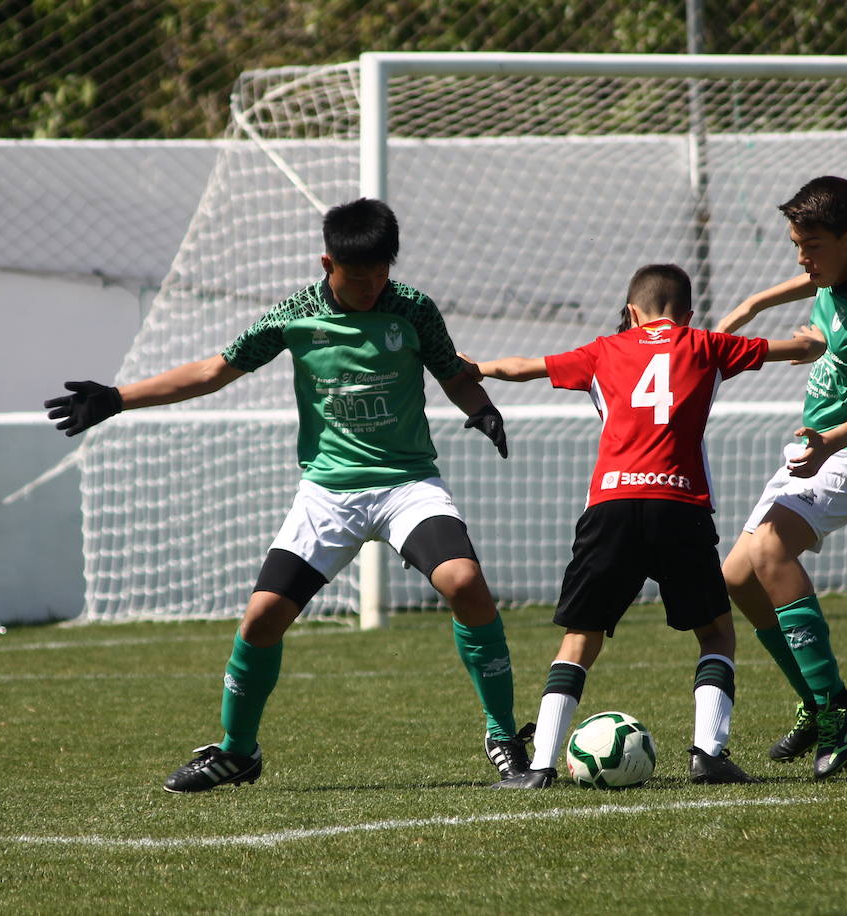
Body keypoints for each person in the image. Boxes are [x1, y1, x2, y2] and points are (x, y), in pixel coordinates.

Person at [45, 198, 531, 792]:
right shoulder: (294, 315)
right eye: (359, 279)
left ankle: (503, 735)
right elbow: (213, 371)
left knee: (464, 583)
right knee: (262, 617)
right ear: (327, 262)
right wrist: (119, 397)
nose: (373, 289)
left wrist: (480, 409)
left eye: (382, 275)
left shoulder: (414, 310)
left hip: (406, 483)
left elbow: (451, 370)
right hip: (327, 494)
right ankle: (236, 751)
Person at [462, 263, 826, 788]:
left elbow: (524, 367)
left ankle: (539, 767)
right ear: (688, 314)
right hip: (680, 506)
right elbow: (792, 351)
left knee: (580, 638)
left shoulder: (603, 350)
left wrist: (480, 369)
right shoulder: (706, 345)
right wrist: (808, 341)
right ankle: (708, 755)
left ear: (631, 312)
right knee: (716, 632)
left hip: (611, 506)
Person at [716, 175, 847, 780]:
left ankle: (835, 708)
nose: (803, 258)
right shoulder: (833, 276)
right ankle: (812, 698)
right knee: (737, 576)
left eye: (813, 245)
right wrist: (752, 305)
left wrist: (829, 441)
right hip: (813, 452)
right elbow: (809, 283)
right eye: (796, 244)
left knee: (772, 549)